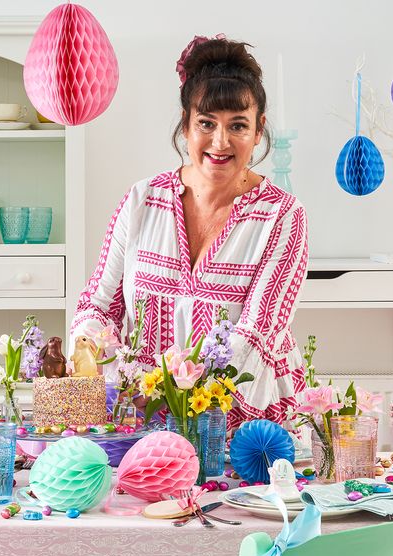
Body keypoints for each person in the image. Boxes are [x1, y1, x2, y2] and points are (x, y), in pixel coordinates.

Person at [71, 35, 309, 430]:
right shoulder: (142, 199)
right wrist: (87, 349)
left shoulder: (282, 215)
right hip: (143, 416)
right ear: (185, 125)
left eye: (238, 125)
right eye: (206, 123)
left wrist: (178, 394)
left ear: (259, 130)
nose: (220, 141)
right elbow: (101, 303)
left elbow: (255, 334)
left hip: (243, 420)